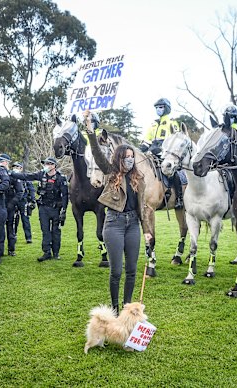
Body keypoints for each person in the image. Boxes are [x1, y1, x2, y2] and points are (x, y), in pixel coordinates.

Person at [85, 112, 152, 315]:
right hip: (113, 224)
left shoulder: (138, 179)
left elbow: (143, 208)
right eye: (127, 157)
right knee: (116, 271)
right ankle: (114, 310)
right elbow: (97, 153)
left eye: (132, 157)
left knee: (131, 270)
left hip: (132, 225)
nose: (130, 160)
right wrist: (90, 131)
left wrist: (147, 230)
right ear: (119, 158)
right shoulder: (110, 171)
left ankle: (127, 308)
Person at [10, 157, 68, 261]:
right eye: (45, 164)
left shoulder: (60, 178)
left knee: (55, 231)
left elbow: (65, 196)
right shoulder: (41, 175)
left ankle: (56, 253)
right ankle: (46, 252)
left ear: (54, 166)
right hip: (43, 208)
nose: (47, 166)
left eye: (49, 164)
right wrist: (11, 173)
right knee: (45, 230)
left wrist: (64, 210)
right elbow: (26, 176)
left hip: (55, 208)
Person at [139, 98, 184, 209]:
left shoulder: (172, 123)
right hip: (151, 154)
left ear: (166, 109)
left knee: (175, 173)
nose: (158, 109)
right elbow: (146, 141)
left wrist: (161, 150)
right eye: (157, 107)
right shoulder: (153, 125)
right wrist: (138, 150)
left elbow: (175, 140)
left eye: (161, 107)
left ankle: (179, 198)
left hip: (166, 154)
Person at [0, 154, 23, 256]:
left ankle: (11, 249)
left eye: (1, 161)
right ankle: (0, 249)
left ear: (6, 162)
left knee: (10, 228)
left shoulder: (13, 175)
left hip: (10, 206)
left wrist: (11, 204)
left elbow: (20, 192)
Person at [12, 162, 35, 244]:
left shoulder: (25, 177)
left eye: (17, 167)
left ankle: (28, 237)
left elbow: (31, 189)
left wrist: (33, 200)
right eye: (14, 167)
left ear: (21, 168)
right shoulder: (11, 177)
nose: (15, 168)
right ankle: (13, 236)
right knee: (14, 219)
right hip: (14, 201)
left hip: (23, 201)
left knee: (25, 219)